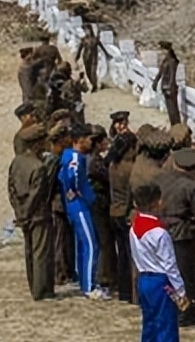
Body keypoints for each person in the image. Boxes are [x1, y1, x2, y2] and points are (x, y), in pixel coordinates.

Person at [129, 181, 190, 342]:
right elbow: (170, 264)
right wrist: (181, 290)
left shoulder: (134, 227)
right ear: (157, 203)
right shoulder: (159, 232)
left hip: (144, 279)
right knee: (166, 329)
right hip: (161, 281)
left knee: (149, 327)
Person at [158, 146, 195, 324]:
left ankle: (175, 309)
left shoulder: (162, 179)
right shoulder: (191, 186)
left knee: (170, 272)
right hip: (183, 232)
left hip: (164, 228)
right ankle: (186, 313)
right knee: (185, 274)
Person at [7, 124, 56, 301]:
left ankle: (33, 284)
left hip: (22, 213)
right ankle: (42, 290)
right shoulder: (39, 167)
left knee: (29, 251)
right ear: (37, 144)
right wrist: (27, 213)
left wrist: (19, 213)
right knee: (41, 252)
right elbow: (36, 195)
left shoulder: (17, 162)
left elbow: (11, 189)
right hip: (38, 214)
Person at [58, 123, 106, 299]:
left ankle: (85, 280)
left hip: (76, 206)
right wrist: (75, 193)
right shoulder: (75, 159)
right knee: (91, 245)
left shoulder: (68, 155)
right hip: (79, 206)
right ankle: (89, 286)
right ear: (79, 140)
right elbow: (70, 177)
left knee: (82, 245)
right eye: (88, 139)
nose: (90, 143)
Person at [107, 131, 139, 303]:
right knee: (131, 256)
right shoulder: (130, 168)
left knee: (122, 256)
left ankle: (124, 291)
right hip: (125, 213)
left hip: (114, 211)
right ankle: (133, 294)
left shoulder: (113, 164)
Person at [88, 125, 116, 291]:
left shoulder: (94, 159)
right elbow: (106, 177)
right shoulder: (94, 162)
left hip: (98, 203)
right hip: (99, 204)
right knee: (104, 241)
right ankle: (104, 276)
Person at [47, 123, 75, 286]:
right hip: (57, 205)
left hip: (63, 204)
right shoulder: (54, 160)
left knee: (65, 240)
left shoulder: (60, 157)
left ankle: (66, 270)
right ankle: (59, 272)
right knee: (59, 241)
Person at [151, 41, 182, 126]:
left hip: (170, 87)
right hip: (164, 86)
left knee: (173, 109)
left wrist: (171, 87)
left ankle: (177, 125)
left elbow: (172, 76)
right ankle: (173, 125)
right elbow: (160, 72)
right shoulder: (165, 61)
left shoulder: (172, 61)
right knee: (169, 109)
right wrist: (155, 82)